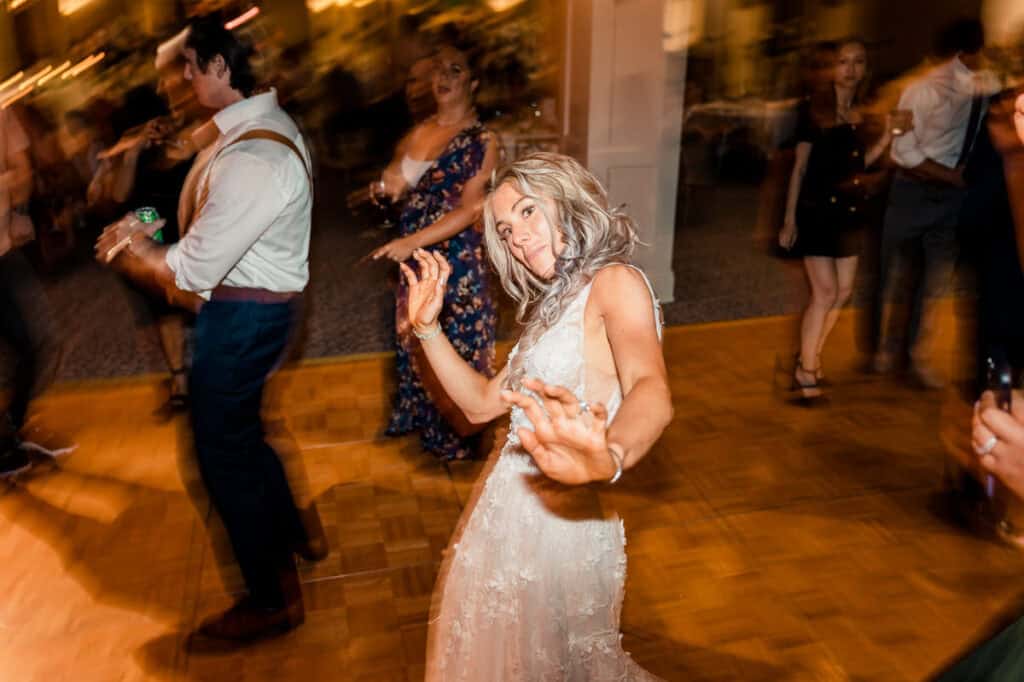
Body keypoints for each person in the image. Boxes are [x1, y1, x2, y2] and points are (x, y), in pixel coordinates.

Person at [402, 152, 673, 678]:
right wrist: (428, 329)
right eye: (504, 230)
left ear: (567, 199)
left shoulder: (615, 282)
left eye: (528, 212)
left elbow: (651, 388)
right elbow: (481, 405)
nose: (517, 238)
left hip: (562, 535)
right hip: (506, 521)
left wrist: (610, 454)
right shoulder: (559, 301)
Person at [95, 16, 322, 640]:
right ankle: (296, 533)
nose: (179, 80)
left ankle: (271, 597)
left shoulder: (251, 154)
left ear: (221, 67)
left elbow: (190, 270)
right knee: (246, 434)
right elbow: (182, 207)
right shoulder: (243, 131)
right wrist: (144, 220)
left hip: (242, 317)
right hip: (255, 308)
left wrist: (129, 248)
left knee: (220, 456)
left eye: (189, 66)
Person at [369, 42, 499, 461]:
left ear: (473, 83)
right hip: (413, 254)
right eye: (439, 70)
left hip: (456, 259)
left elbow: (471, 208)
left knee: (455, 343)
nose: (443, 77)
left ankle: (459, 434)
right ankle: (425, 421)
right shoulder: (419, 131)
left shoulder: (483, 140)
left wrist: (412, 241)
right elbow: (395, 183)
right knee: (415, 338)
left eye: (455, 70)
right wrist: (383, 190)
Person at [869, 19, 995, 389]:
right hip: (912, 191)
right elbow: (902, 150)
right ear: (966, 54)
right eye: (981, 52)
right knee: (889, 276)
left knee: (929, 283)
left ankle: (910, 358)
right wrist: (950, 176)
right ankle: (879, 352)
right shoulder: (920, 90)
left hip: (952, 198)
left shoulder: (979, 88)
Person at [90, 31, 208, 410]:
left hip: (189, 214)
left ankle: (207, 366)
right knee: (160, 303)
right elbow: (124, 197)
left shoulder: (197, 125)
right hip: (151, 215)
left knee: (193, 292)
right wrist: (132, 151)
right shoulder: (140, 136)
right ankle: (179, 382)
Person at [780, 39, 901, 401]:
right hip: (815, 211)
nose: (850, 69)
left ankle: (807, 358)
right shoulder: (812, 110)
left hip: (848, 213)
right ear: (831, 67)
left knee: (843, 292)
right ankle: (807, 369)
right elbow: (799, 168)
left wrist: (890, 135)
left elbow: (859, 164)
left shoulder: (861, 112)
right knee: (825, 293)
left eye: (858, 61)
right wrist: (789, 220)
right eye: (843, 62)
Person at [0, 104, 69, 477]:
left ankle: (11, 430)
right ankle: (9, 436)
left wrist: (17, 203)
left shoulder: (2, 113)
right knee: (31, 344)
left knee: (41, 342)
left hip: (6, 251)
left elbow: (23, 173)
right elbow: (16, 173)